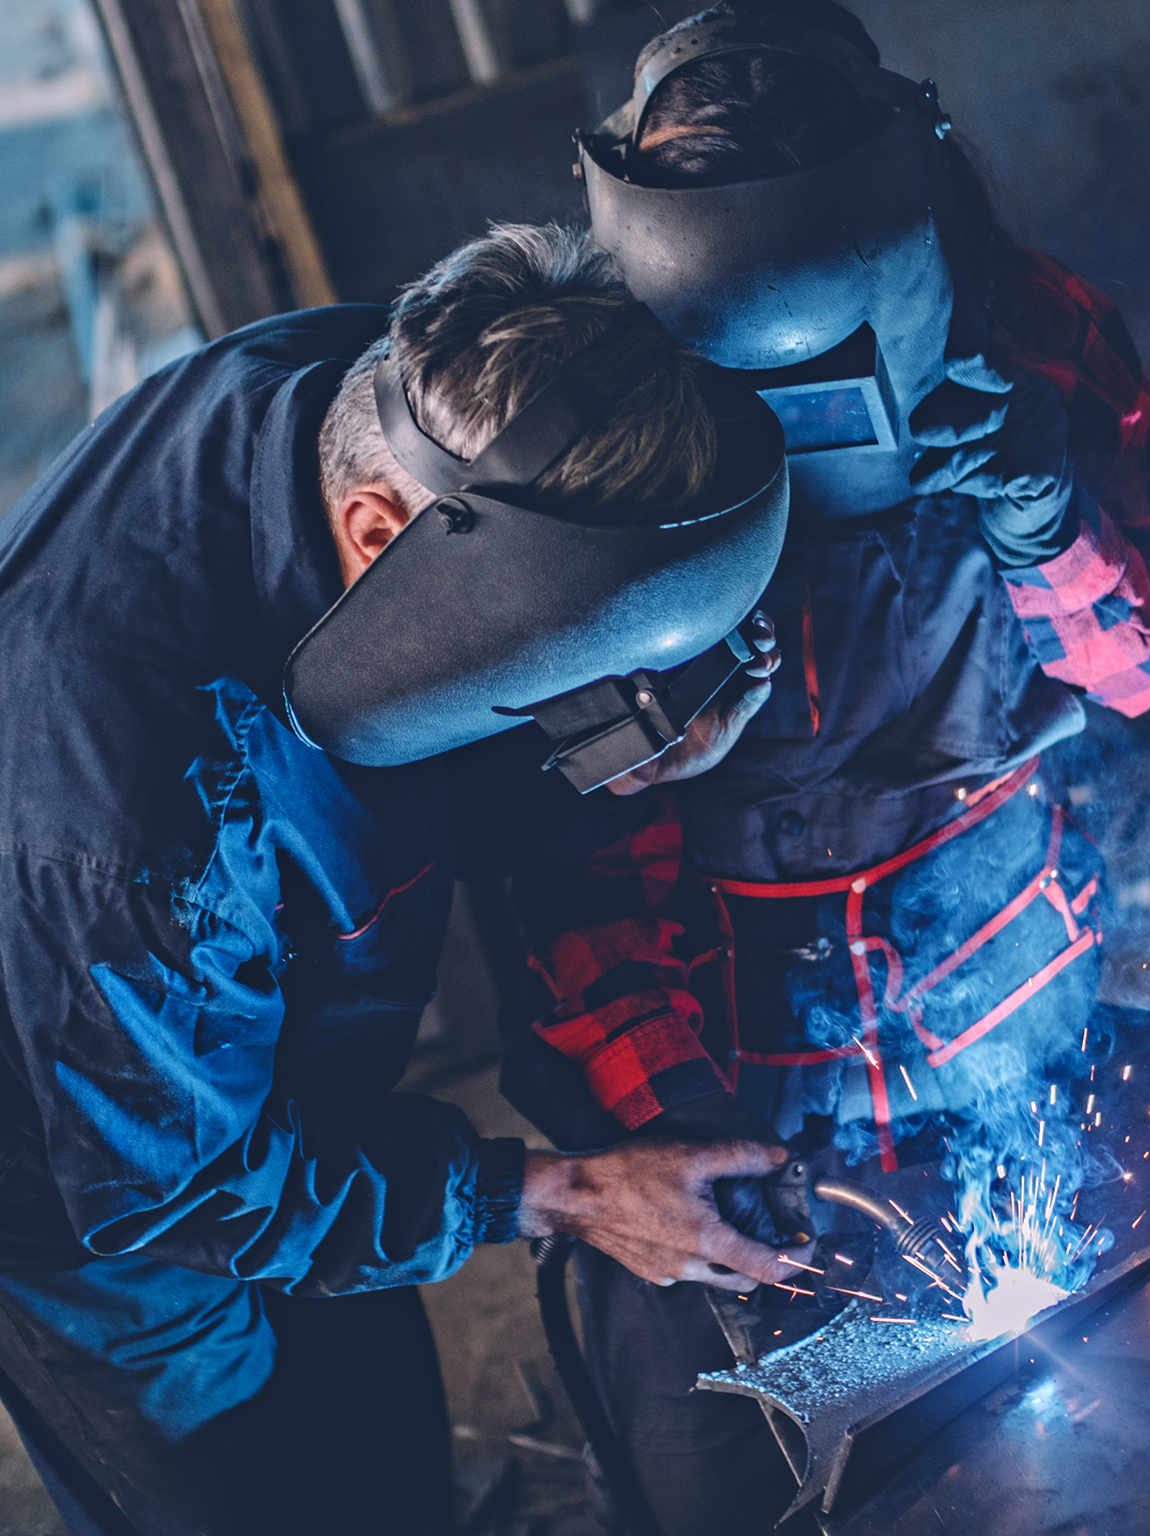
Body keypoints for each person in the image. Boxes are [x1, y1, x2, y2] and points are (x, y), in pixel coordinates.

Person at [495, 6, 1150, 1534]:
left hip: (1018, 1063)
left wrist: (1049, 521)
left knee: (1101, 1477)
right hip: (736, 1137)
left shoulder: (1034, 340)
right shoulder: (594, 424)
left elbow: (1142, 669)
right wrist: (676, 1133)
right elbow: (568, 856)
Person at [0, 222, 805, 1536]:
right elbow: (189, 1188)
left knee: (379, 1454)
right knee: (249, 1493)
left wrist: (646, 690)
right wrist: (560, 1194)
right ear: (379, 535)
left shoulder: (388, 385)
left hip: (259, 1046)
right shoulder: (142, 817)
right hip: (102, 1189)